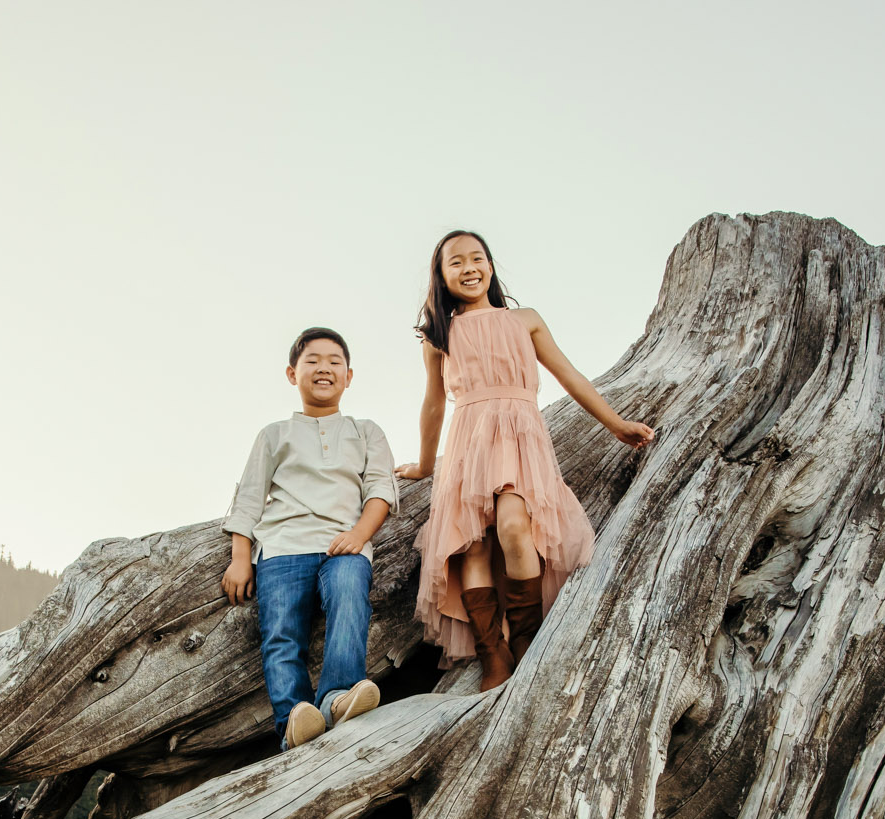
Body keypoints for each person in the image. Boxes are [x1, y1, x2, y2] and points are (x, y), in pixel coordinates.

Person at [397, 230, 654, 689]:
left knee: (515, 527)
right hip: (469, 441)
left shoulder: (525, 319)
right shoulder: (439, 335)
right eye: (455, 262)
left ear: (491, 267)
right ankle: (491, 652)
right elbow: (434, 403)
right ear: (440, 275)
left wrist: (615, 424)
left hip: (519, 436)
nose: (469, 267)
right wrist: (424, 465)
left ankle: (525, 637)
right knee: (471, 544)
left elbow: (568, 373)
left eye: (477, 258)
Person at [222, 326, 400, 748]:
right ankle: (293, 722)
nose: (324, 369)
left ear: (349, 376)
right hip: (282, 547)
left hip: (343, 546)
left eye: (335, 362)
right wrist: (240, 556)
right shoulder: (274, 435)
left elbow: (380, 489)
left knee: (349, 595)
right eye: (313, 361)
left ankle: (336, 697)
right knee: (281, 634)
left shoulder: (365, 430)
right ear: (292, 373)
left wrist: (360, 534)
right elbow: (247, 499)